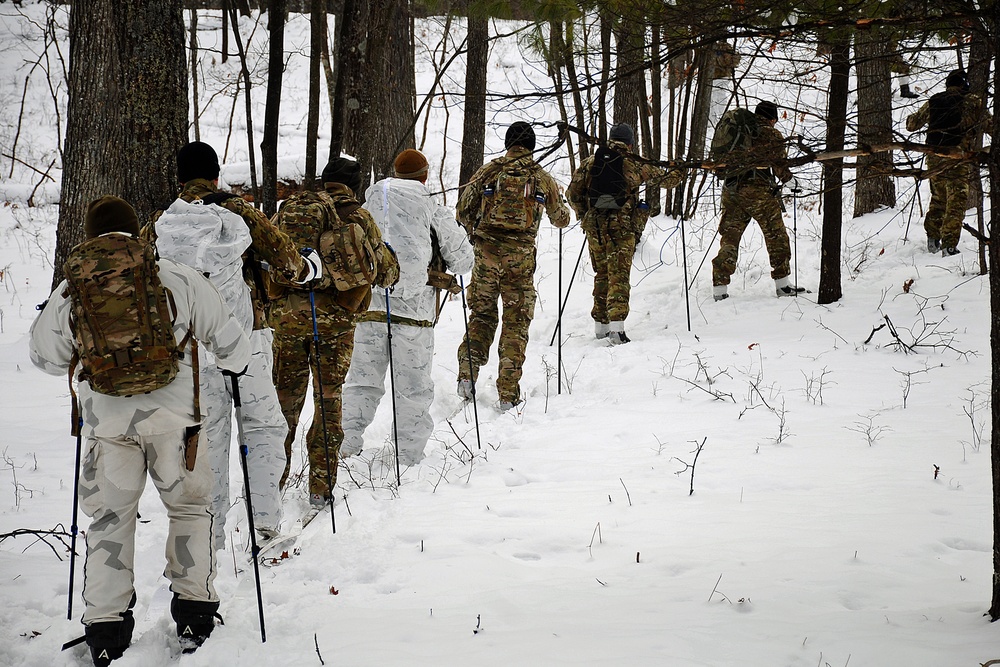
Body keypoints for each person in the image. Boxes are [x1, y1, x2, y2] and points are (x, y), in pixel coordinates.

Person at [30, 196, 252, 665]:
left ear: (92, 237)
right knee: (190, 509)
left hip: (108, 425)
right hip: (177, 421)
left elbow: (45, 358)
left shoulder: (74, 289)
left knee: (109, 519)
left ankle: (106, 629)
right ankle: (193, 614)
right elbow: (231, 343)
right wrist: (232, 364)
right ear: (139, 233)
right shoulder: (174, 274)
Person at [142, 141, 319, 550]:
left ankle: (211, 536)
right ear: (216, 175)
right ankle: (266, 527)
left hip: (191, 349)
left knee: (207, 441)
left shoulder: (162, 222)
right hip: (246, 339)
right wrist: (309, 268)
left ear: (180, 178)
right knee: (263, 429)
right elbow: (287, 261)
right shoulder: (238, 212)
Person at [270, 157, 399, 512]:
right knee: (328, 400)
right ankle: (321, 488)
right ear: (353, 185)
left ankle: (269, 489)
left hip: (287, 320)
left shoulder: (291, 212)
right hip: (335, 323)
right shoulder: (357, 216)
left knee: (284, 404)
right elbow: (385, 273)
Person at [341, 149, 473, 465]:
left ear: (397, 174)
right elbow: (464, 260)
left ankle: (344, 447)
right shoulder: (432, 207)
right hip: (414, 315)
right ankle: (408, 457)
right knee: (412, 389)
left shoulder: (370, 204)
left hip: (370, 309)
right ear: (425, 176)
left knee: (361, 382)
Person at [455, 121, 570, 411]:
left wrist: (476, 232)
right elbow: (561, 219)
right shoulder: (540, 176)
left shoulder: (489, 171)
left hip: (485, 255)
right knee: (516, 322)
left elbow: (461, 210)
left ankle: (467, 376)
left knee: (482, 314)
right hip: (520, 259)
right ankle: (508, 394)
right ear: (531, 145)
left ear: (508, 144)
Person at [567, 123, 684, 343]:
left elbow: (572, 194)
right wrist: (680, 169)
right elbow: (666, 181)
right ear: (630, 143)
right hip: (621, 226)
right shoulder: (635, 163)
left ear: (611, 138)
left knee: (602, 273)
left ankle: (600, 326)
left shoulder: (591, 162)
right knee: (619, 275)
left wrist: (585, 215)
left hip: (595, 227)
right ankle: (617, 330)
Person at [710, 100, 804, 301]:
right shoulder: (770, 134)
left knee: (730, 238)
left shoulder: (738, 131)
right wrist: (790, 181)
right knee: (776, 235)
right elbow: (779, 165)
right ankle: (783, 285)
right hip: (758, 192)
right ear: (772, 119)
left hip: (731, 190)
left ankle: (719, 289)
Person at [905, 69, 992, 256]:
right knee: (957, 200)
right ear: (964, 85)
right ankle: (949, 245)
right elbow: (991, 125)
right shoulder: (973, 101)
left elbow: (911, 125)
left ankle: (932, 238)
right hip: (957, 156)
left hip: (934, 154)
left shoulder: (935, 100)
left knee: (938, 197)